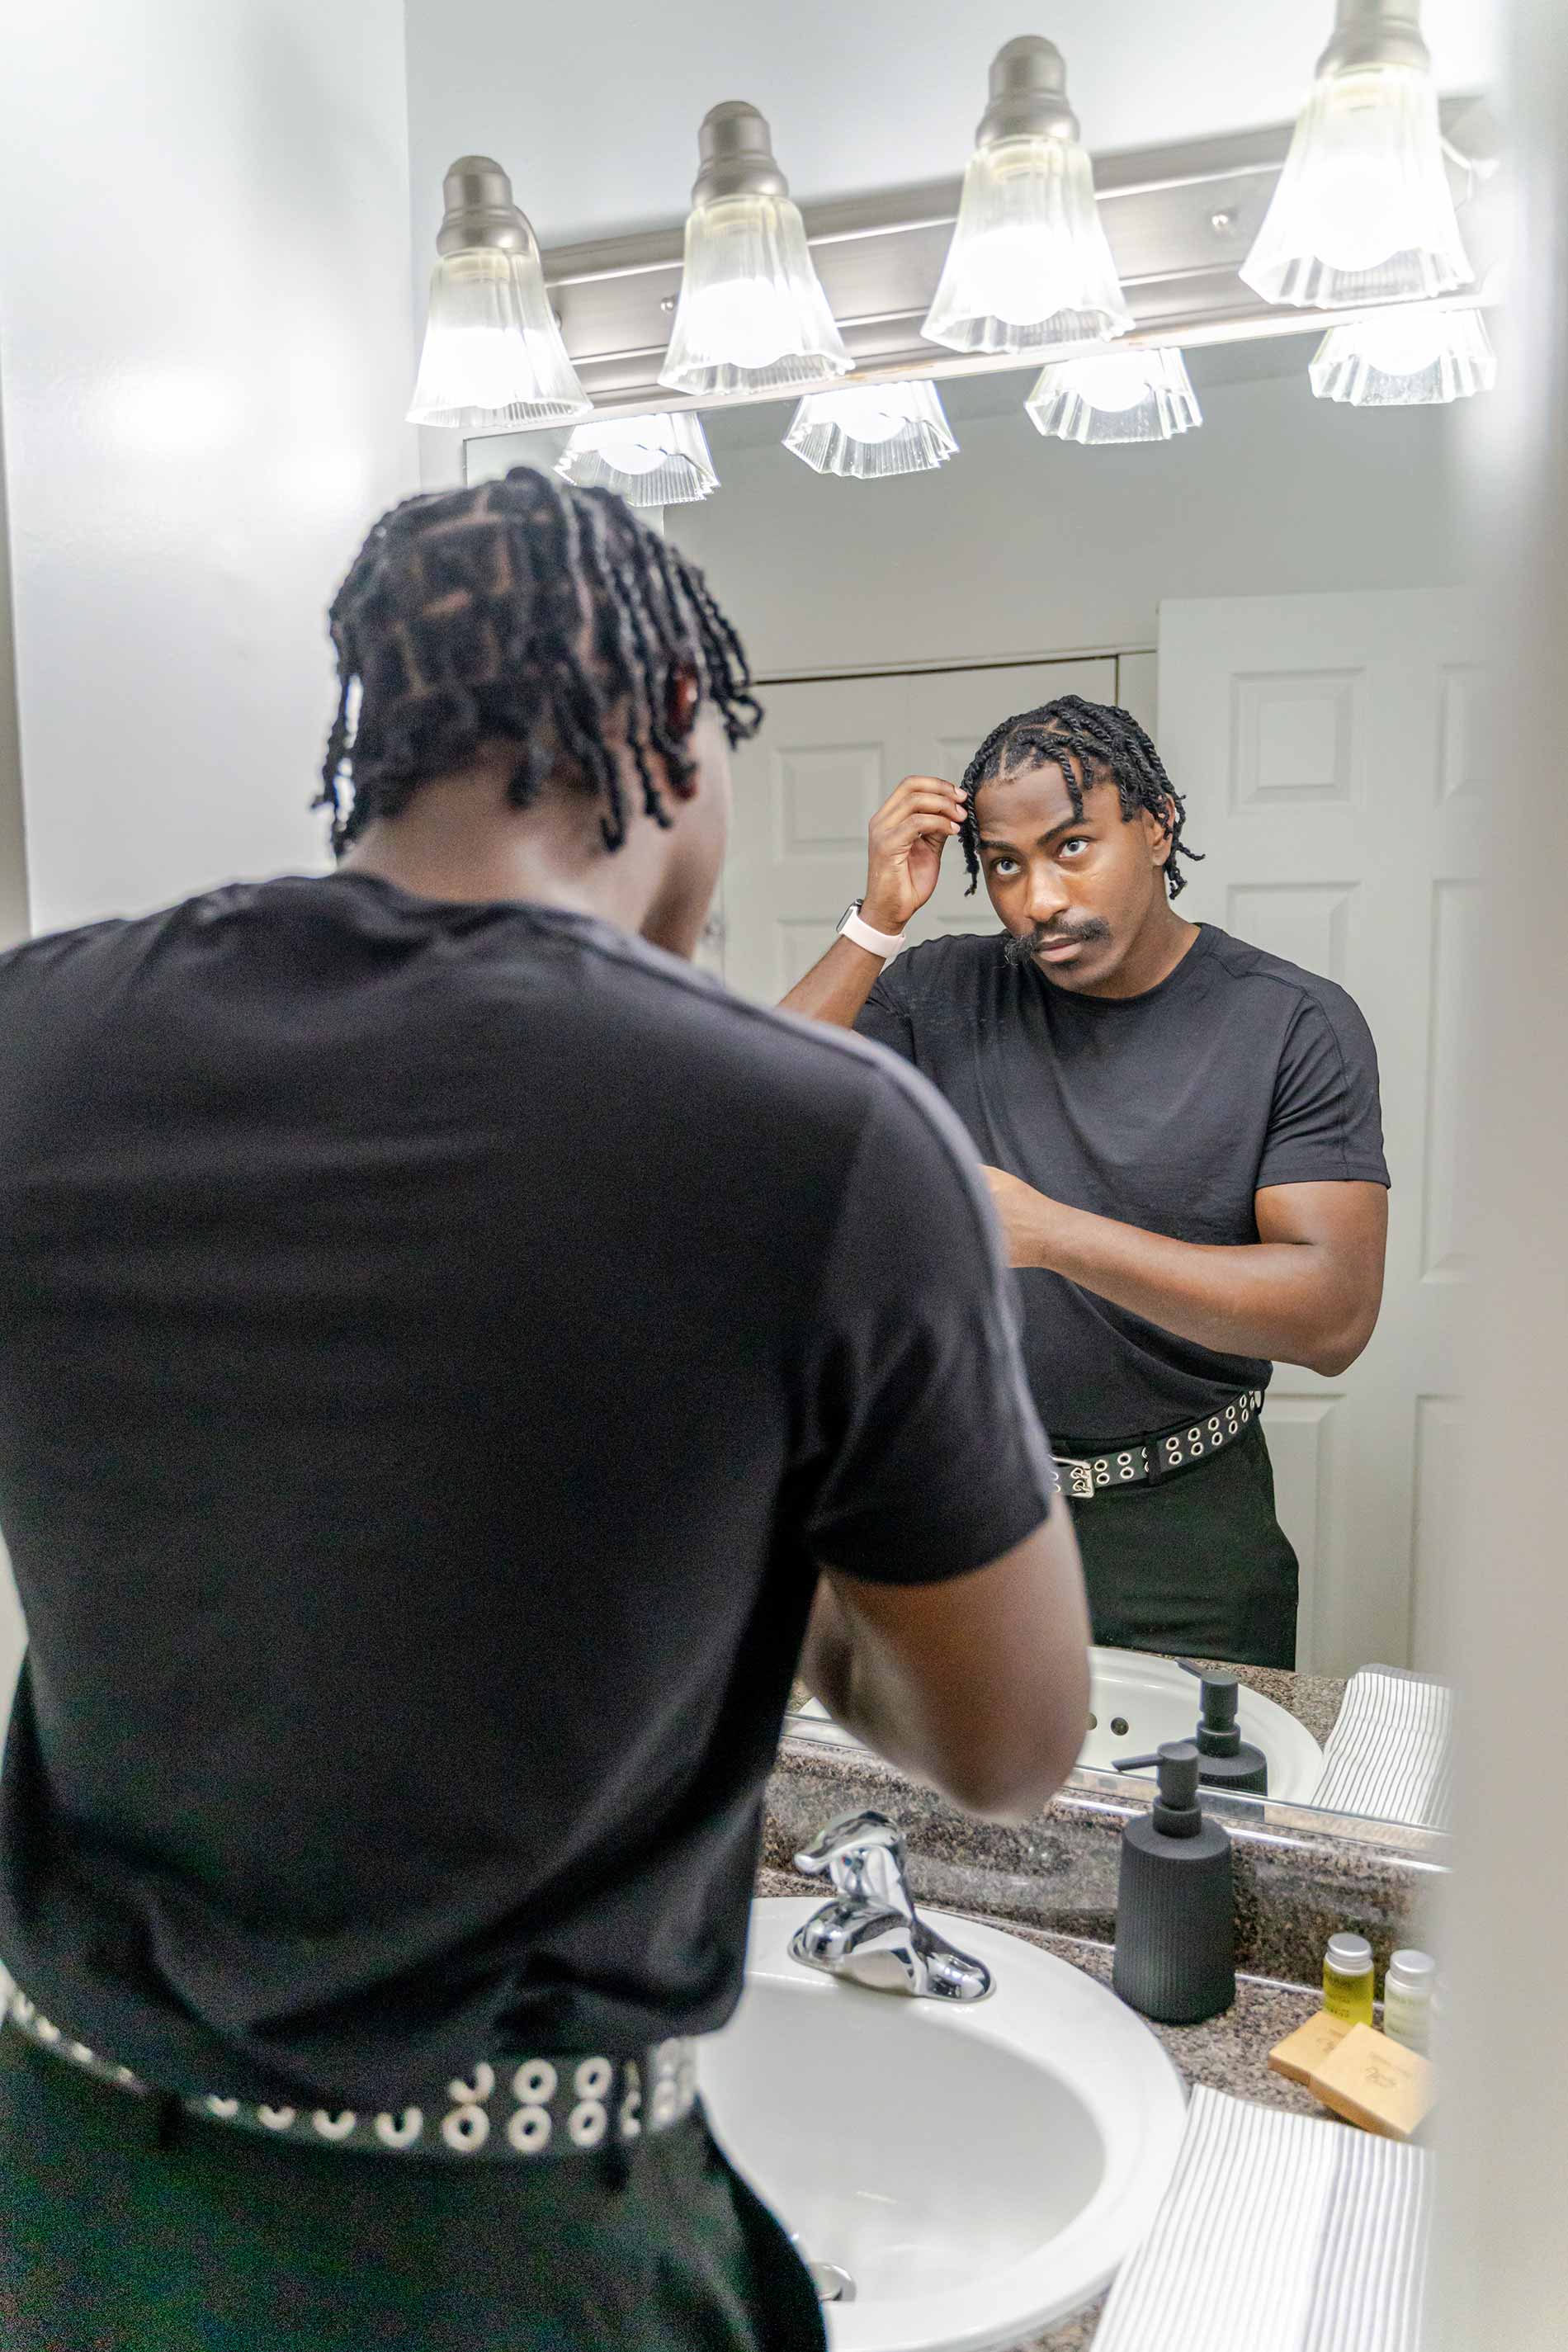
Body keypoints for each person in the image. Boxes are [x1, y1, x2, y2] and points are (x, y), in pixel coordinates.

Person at [0, 470, 1089, 2352]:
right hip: (505, 2260)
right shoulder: (821, 1140)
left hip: (65, 2208)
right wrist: (767, 1551)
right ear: (671, 724)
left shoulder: (32, 1042)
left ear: (377, 734)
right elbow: (1006, 1745)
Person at [782, 694, 1389, 1671]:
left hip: (1183, 1532)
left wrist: (1050, 1235)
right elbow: (759, 1122)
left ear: (1157, 826)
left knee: (1193, 1779)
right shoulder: (938, 991)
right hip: (950, 1507)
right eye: (1004, 865)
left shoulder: (1289, 1023)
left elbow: (1332, 1316)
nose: (1039, 900)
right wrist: (876, 921)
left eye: (1071, 847)